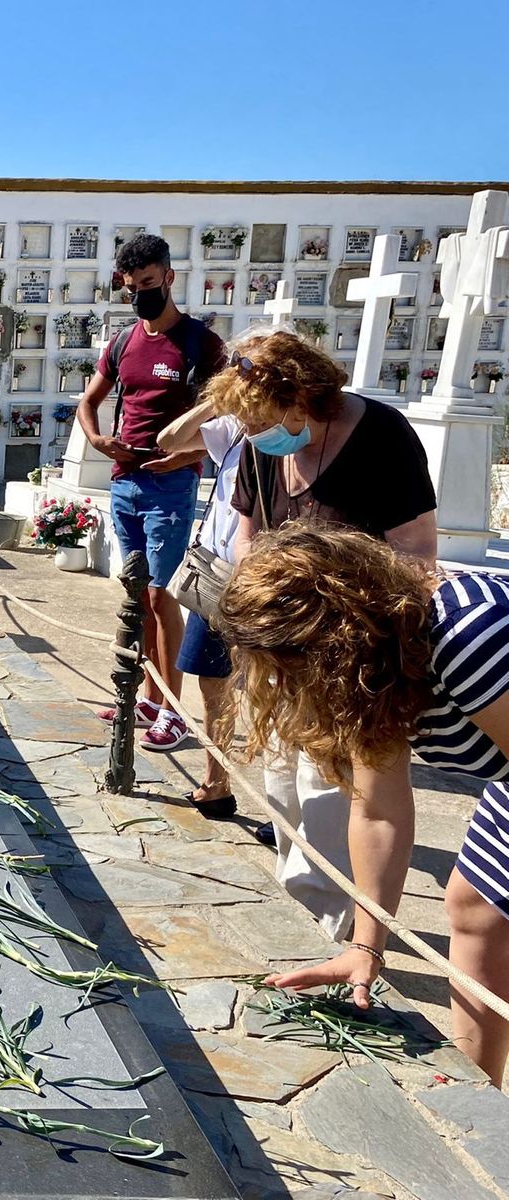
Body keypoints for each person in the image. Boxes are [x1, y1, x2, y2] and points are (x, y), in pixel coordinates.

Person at [219, 525, 509, 1083]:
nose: (279, 682)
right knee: (475, 908)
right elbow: (379, 811)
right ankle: (480, 1088)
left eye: (286, 663)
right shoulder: (378, 669)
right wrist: (365, 949)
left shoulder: (469, 640)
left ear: (333, 639)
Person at [207, 328, 436, 937]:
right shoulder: (262, 440)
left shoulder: (382, 438)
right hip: (280, 644)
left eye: (264, 420)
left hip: (352, 649)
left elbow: (415, 557)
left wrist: (353, 624)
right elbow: (247, 534)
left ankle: (344, 931)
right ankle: (310, 900)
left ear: (307, 395)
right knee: (282, 780)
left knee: (333, 791)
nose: (256, 436)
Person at [80, 233, 226, 752]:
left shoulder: (201, 345)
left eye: (147, 283)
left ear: (169, 276)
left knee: (164, 596)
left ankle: (173, 710)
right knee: (138, 592)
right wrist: (99, 440)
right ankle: (147, 695)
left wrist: (187, 457)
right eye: (130, 286)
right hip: (125, 483)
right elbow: (89, 400)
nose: (139, 293)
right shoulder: (123, 342)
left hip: (171, 485)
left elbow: (226, 422)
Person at [152, 392, 246, 820]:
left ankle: (291, 812)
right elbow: (170, 439)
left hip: (264, 576)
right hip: (215, 574)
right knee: (214, 685)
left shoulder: (299, 437)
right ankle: (217, 783)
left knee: (274, 689)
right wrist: (217, 400)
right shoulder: (232, 430)